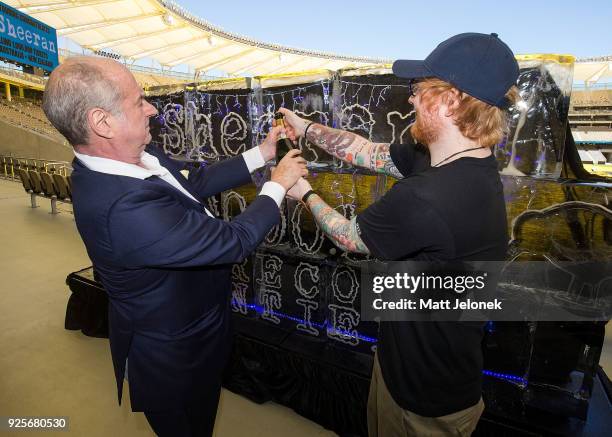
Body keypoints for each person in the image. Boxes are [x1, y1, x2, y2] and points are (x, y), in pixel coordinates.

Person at [42, 56, 307, 437]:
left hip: (201, 331)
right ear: (103, 122)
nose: (151, 109)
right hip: (177, 360)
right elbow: (234, 241)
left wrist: (263, 153)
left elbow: (192, 183)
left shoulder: (130, 157)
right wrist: (279, 183)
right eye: (138, 102)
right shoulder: (124, 209)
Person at [280, 33, 519, 436]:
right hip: (417, 368)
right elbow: (364, 151)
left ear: (449, 100)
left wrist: (303, 192)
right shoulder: (460, 162)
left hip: (422, 402)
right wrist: (305, 128)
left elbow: (349, 236)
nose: (410, 99)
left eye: (417, 90)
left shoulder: (430, 196)